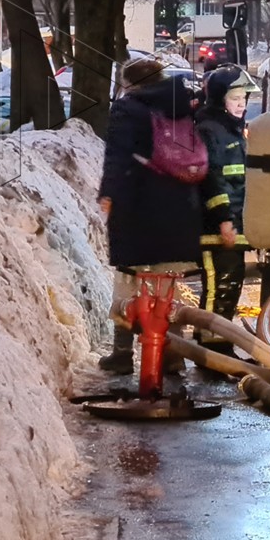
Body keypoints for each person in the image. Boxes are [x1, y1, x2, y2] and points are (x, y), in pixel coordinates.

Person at [96, 58, 203, 374]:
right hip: (180, 210)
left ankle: (121, 353)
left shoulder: (128, 109)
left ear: (129, 83)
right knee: (167, 286)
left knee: (129, 283)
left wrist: (109, 193)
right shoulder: (182, 105)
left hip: (138, 210)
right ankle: (171, 355)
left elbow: (117, 156)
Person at [195, 64, 254, 340]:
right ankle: (211, 345)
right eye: (235, 98)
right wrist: (224, 220)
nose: (241, 103)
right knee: (219, 285)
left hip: (231, 223)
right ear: (220, 99)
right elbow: (212, 179)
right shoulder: (210, 129)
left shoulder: (230, 130)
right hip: (216, 227)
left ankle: (214, 341)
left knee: (230, 284)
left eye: (244, 98)